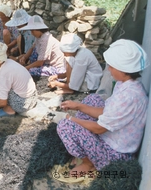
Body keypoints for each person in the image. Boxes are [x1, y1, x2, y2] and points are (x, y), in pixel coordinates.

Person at [57, 39, 149, 176]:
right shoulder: (125, 84)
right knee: (92, 99)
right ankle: (88, 150)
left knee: (65, 126)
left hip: (115, 155)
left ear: (123, 70)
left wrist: (70, 119)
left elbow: (99, 128)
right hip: (112, 137)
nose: (109, 69)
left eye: (112, 66)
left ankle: (89, 162)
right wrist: (78, 106)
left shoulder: (129, 97)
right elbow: (107, 111)